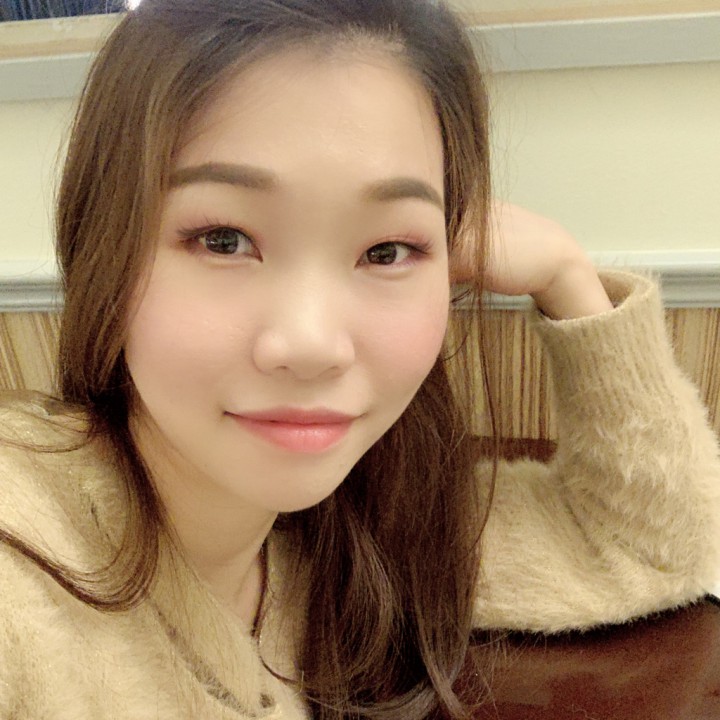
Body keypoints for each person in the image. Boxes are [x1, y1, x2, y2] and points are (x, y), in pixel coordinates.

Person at [0, 0, 718, 718]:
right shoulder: (23, 568)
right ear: (104, 246)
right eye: (223, 240)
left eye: (386, 250)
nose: (313, 346)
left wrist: (567, 276)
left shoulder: (368, 529)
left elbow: (647, 549)